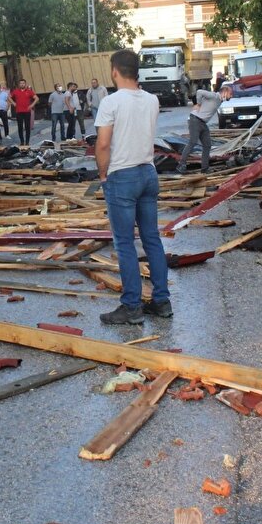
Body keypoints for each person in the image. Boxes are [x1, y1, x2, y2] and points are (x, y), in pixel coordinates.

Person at [94, 50, 172, 325]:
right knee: (152, 239)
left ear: (115, 70)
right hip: (147, 172)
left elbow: (103, 144)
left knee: (125, 242)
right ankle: (161, 301)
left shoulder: (110, 102)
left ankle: (131, 306)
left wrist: (103, 174)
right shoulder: (152, 100)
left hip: (122, 175)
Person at [176, 85, 232, 175]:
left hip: (203, 123)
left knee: (207, 145)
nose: (231, 96)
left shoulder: (220, 100)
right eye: (230, 93)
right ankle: (181, 165)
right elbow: (199, 92)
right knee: (193, 142)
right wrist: (198, 104)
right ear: (225, 91)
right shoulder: (214, 96)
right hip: (195, 120)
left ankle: (205, 168)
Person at [9, 79, 36, 146]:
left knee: (27, 127)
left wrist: (32, 105)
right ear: (19, 84)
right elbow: (9, 97)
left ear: (25, 84)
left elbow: (36, 98)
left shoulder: (29, 91)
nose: (22, 84)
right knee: (20, 127)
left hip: (27, 111)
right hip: (19, 112)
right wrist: (14, 103)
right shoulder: (16, 91)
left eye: (23, 83)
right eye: (21, 83)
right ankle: (22, 141)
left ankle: (27, 142)